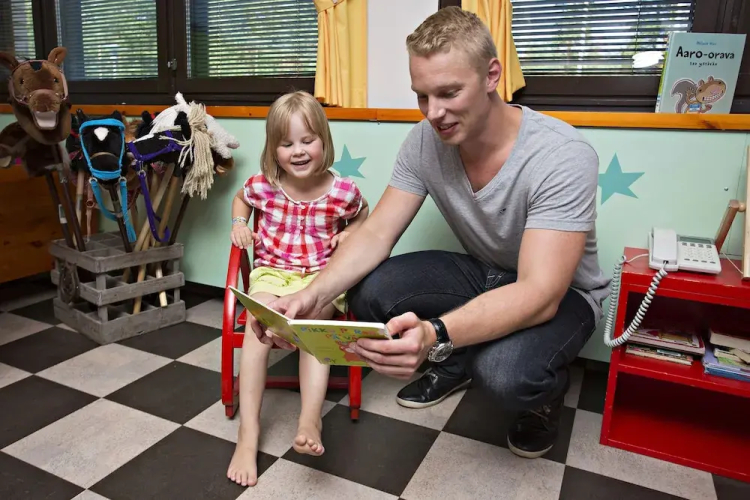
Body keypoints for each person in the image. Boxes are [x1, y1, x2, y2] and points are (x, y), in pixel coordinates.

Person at [252, 6, 611, 460]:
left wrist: (435, 333)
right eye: (422, 95)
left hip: (564, 294)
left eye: (448, 92)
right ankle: (457, 358)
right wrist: (312, 295)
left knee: (503, 373)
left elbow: (540, 293)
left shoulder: (561, 154)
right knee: (370, 290)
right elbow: (376, 233)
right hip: (487, 271)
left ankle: (539, 396)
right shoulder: (424, 140)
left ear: (492, 75)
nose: (434, 113)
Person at [227, 90, 369, 487]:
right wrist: (240, 224)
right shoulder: (264, 185)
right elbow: (240, 199)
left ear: (324, 140)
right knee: (256, 325)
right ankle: (248, 432)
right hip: (272, 274)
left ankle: (310, 419)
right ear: (273, 149)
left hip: (319, 279)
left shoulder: (342, 192)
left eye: (307, 140)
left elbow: (364, 213)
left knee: (311, 328)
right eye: (287, 143)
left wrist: (352, 232)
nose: (298, 151)